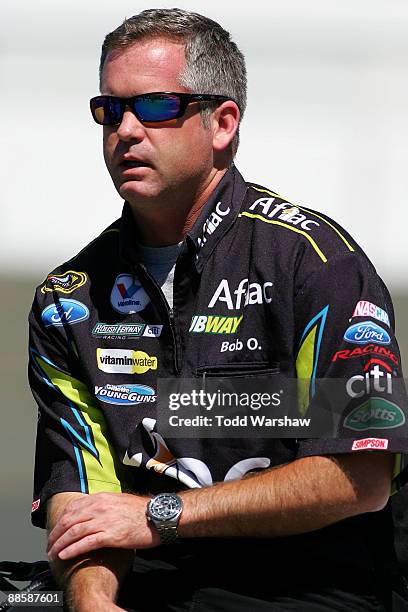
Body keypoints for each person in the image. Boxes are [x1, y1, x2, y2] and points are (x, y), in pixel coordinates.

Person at [28, 8, 408, 612]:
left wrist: (160, 515)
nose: (126, 129)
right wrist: (94, 601)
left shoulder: (311, 263)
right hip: (151, 585)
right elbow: (83, 502)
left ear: (222, 123)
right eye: (110, 109)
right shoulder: (68, 300)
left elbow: (358, 476)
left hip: (311, 587)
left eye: (154, 107)